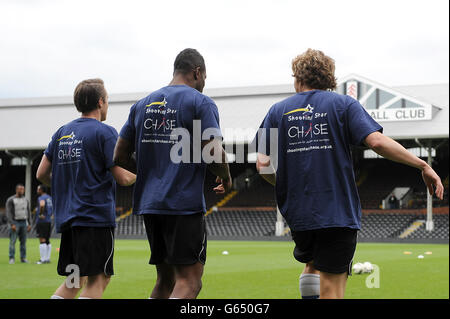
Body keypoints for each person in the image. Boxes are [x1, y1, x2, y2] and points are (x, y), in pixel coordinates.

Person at [255, 48, 444, 299]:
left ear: (298, 78)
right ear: (329, 78)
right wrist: (423, 165)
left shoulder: (278, 111)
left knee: (311, 264)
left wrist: (288, 186)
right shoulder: (343, 105)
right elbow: (376, 142)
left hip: (299, 214)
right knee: (332, 288)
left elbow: (262, 164)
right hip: (336, 212)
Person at [114, 48, 232, 299]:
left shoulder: (142, 105)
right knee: (189, 282)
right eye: (205, 79)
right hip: (183, 204)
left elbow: (119, 157)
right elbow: (214, 151)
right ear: (197, 72)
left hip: (150, 204)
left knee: (164, 281)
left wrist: (151, 168)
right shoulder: (200, 102)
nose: (203, 85)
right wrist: (226, 175)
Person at [36, 78, 136, 299]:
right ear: (100, 102)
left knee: (74, 280)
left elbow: (41, 174)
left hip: (68, 221)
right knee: (98, 279)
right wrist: (143, 176)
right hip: (94, 219)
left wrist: (67, 184)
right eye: (107, 100)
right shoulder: (105, 132)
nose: (107, 104)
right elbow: (122, 177)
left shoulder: (62, 132)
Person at [6, 183, 31, 264]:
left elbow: (28, 212)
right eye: (20, 189)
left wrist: (29, 223)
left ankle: (23, 258)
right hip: (15, 222)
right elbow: (8, 213)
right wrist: (12, 223)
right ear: (16, 190)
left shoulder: (26, 200)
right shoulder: (11, 200)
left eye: (23, 189)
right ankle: (11, 258)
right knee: (13, 241)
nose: (22, 191)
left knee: (23, 242)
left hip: (24, 222)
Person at [35, 184, 53, 264]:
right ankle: (47, 259)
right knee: (47, 240)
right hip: (48, 221)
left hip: (42, 221)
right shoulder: (50, 198)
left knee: (42, 239)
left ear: (41, 190)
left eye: (38, 189)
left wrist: (40, 214)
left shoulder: (41, 198)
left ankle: (42, 260)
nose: (37, 190)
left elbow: (42, 204)